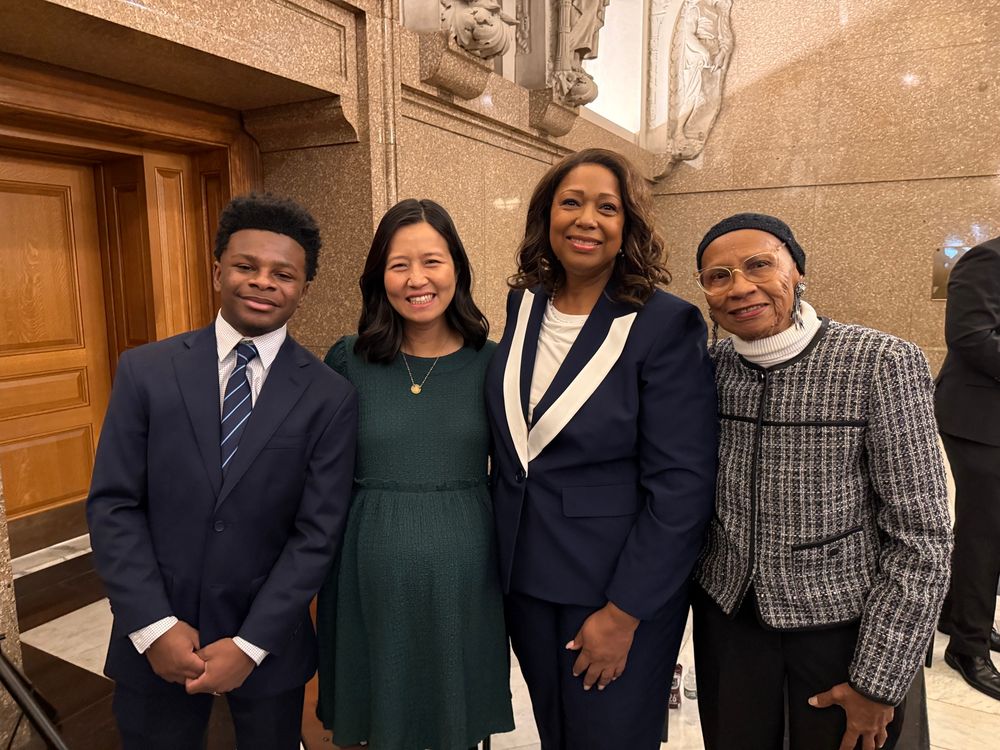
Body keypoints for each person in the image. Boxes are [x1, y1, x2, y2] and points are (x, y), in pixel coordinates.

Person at [86, 193, 358, 749]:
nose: (262, 282)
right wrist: (154, 626)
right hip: (154, 641)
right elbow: (114, 505)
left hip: (267, 649)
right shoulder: (146, 371)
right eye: (245, 266)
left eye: (283, 274)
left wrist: (251, 644)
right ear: (217, 272)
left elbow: (317, 533)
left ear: (304, 289)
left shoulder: (329, 396)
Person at [691, 212, 953, 750]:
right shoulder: (709, 368)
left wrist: (879, 681)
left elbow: (923, 534)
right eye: (719, 276)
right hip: (730, 620)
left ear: (798, 271)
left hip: (840, 627)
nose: (740, 287)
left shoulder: (879, 362)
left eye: (759, 265)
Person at [485, 148, 718, 749]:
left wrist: (624, 612)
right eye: (571, 202)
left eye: (607, 208)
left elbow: (682, 487)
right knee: (558, 736)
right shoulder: (525, 304)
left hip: (612, 587)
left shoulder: (664, 323)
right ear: (547, 216)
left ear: (627, 225)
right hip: (525, 576)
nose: (586, 219)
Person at [316, 198, 514, 749]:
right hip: (365, 570)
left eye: (432, 261)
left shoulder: (494, 362)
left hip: (467, 572)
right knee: (376, 718)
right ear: (379, 276)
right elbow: (317, 475)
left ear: (457, 268)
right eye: (399, 264)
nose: (416, 279)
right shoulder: (348, 360)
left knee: (456, 718)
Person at [935, 236, 1000, 700]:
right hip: (979, 419)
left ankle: (955, 615)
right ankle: (967, 647)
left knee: (987, 529)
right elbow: (971, 336)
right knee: (985, 533)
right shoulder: (988, 258)